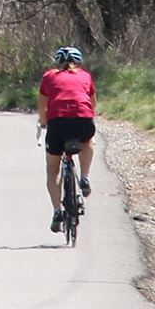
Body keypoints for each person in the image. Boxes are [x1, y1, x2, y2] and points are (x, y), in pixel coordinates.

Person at [37, 46, 96, 233]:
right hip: (83, 121)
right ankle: (85, 177)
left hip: (58, 125)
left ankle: (56, 211)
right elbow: (92, 103)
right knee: (88, 141)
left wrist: (44, 122)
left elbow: (42, 105)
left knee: (52, 169)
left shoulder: (49, 77)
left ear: (57, 62)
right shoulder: (85, 76)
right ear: (77, 62)